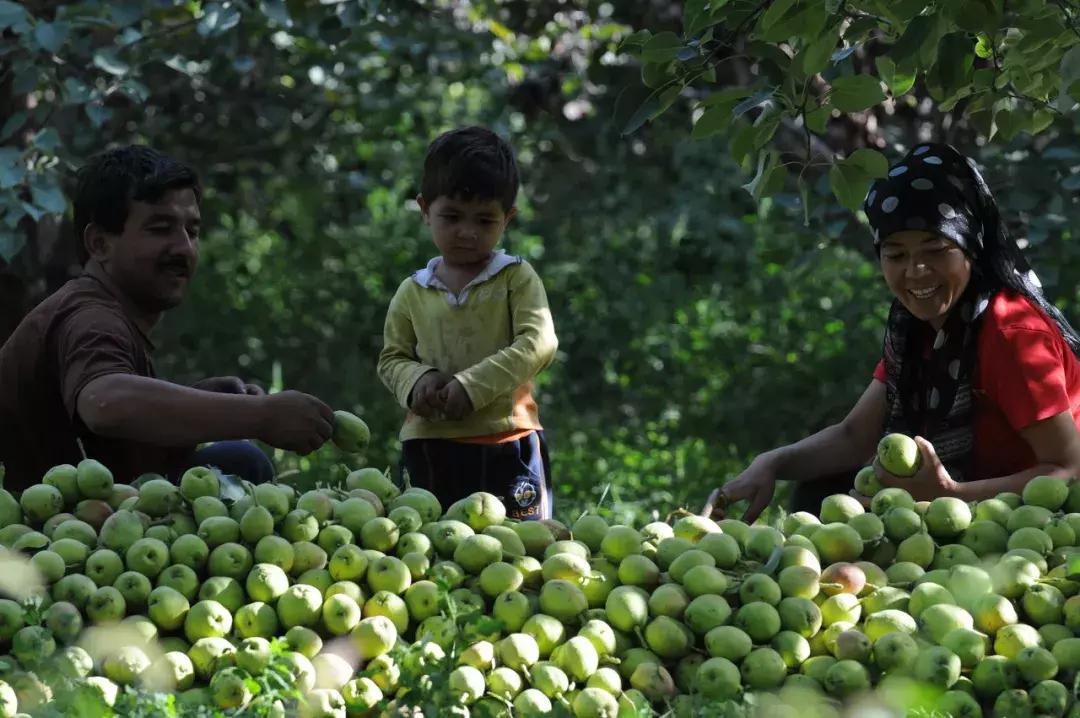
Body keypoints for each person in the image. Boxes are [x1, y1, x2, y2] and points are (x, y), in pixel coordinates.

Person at [704, 142, 1080, 523]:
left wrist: (949, 495)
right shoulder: (917, 329)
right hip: (969, 503)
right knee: (818, 488)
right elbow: (854, 436)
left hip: (1038, 518)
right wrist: (770, 463)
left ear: (971, 247)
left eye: (935, 250)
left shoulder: (1010, 333)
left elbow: (1070, 469)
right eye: (897, 255)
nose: (916, 271)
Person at [0, 145, 335, 491]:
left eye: (192, 231)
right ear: (99, 244)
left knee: (235, 462)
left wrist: (201, 398)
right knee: (242, 460)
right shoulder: (91, 316)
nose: (184, 248)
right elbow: (106, 404)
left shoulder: (105, 313)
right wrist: (263, 417)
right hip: (23, 537)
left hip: (73, 526)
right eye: (160, 228)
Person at [378, 126, 559, 519]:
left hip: (509, 440)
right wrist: (418, 381)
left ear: (507, 219)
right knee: (431, 546)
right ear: (425, 209)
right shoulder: (412, 291)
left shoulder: (516, 277)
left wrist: (471, 386)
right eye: (452, 216)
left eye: (484, 220)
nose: (467, 232)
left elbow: (539, 342)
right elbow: (392, 359)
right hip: (430, 444)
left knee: (523, 552)